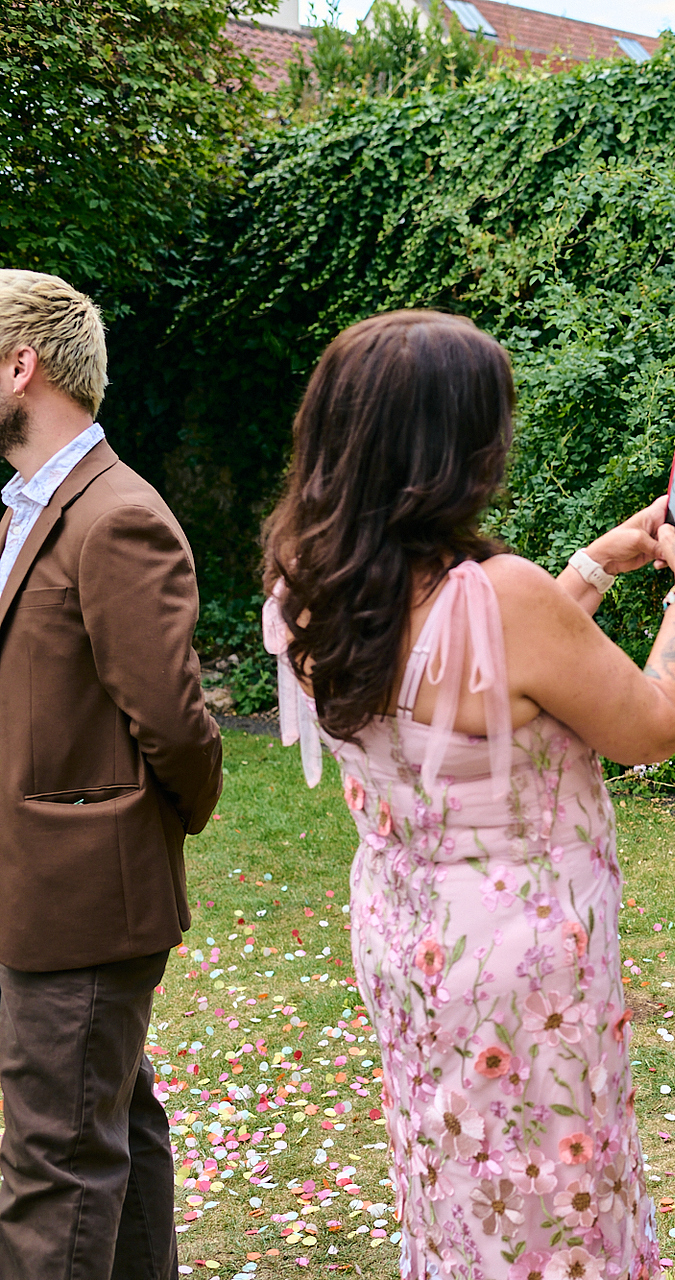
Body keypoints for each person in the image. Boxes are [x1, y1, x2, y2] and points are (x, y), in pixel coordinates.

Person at [261, 310, 675, 1279]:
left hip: (407, 936)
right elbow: (652, 723)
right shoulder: (500, 594)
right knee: (555, 1199)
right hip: (521, 966)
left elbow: (474, 680)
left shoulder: (312, 584)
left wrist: (592, 566)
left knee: (460, 1183)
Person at [0, 270, 223, 1279]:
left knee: (54, 1168)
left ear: (22, 366)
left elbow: (175, 724)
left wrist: (138, 827)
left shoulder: (115, 516)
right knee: (111, 1122)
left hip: (83, 895)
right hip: (39, 889)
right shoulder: (27, 508)